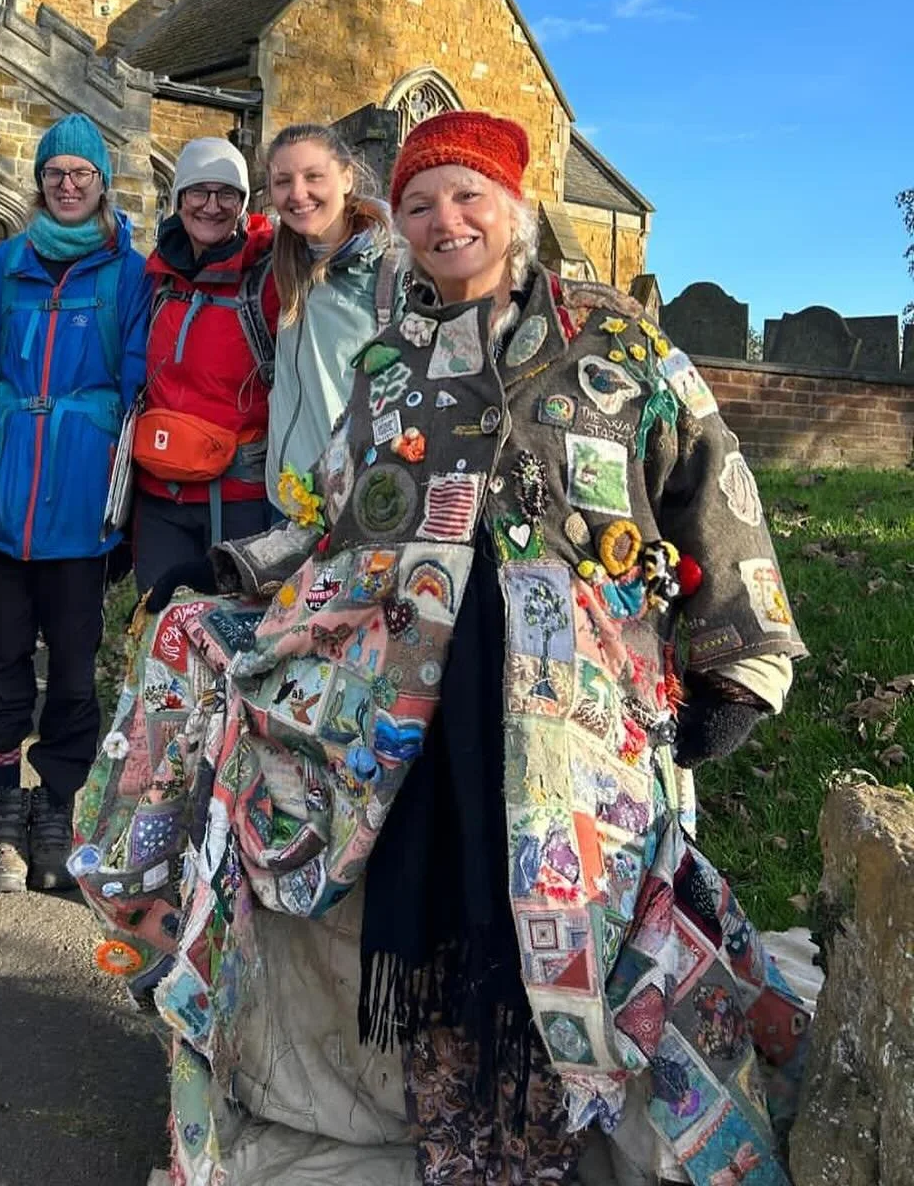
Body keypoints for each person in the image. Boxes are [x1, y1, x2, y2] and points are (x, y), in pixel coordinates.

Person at [76, 110, 808, 1186]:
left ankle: (571, 1131)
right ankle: (460, 1131)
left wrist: (742, 668)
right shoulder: (390, 361)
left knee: (570, 925)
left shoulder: (619, 345)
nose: (443, 220)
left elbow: (714, 491)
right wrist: (233, 571)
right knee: (439, 917)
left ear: (515, 210)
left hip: (574, 713)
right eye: (419, 203)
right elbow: (336, 518)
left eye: (467, 197)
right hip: (412, 697)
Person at [0, 113, 149, 896]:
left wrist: (128, 502)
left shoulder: (129, 271)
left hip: (84, 496)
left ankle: (56, 806)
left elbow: (136, 387)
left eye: (81, 173)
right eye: (55, 172)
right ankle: (0, 803)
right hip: (3, 488)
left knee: (71, 665)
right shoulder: (9, 261)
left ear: (101, 183)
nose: (67, 184)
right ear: (41, 181)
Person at [133, 138, 279, 596]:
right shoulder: (156, 276)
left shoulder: (267, 278)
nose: (211, 207)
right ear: (178, 200)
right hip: (159, 497)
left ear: (244, 202)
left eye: (227, 194)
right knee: (159, 637)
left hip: (238, 499)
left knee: (232, 640)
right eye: (198, 192)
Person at [262, 122, 398, 523]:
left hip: (358, 508)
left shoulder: (392, 269)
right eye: (283, 181)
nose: (297, 193)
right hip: (288, 505)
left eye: (313, 176)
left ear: (347, 177)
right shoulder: (285, 263)